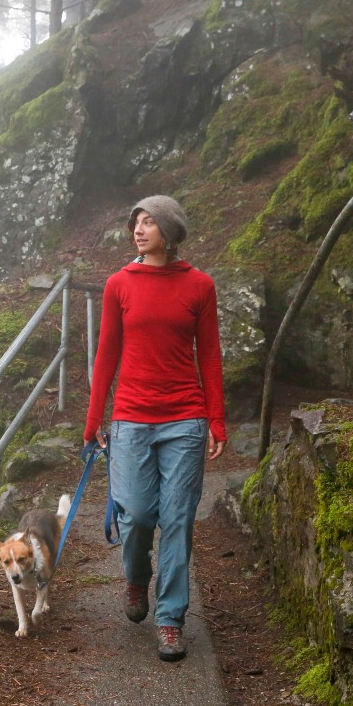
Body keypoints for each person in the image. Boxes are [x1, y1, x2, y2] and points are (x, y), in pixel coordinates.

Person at [83, 195, 226, 662]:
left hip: (185, 418)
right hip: (130, 418)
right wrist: (93, 419)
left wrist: (216, 418)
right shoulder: (119, 284)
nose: (138, 231)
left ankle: (170, 619)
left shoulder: (199, 286)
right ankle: (136, 578)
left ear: (169, 231)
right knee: (139, 515)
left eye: (148, 223)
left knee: (179, 518)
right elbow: (106, 356)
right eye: (136, 223)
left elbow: (209, 356)